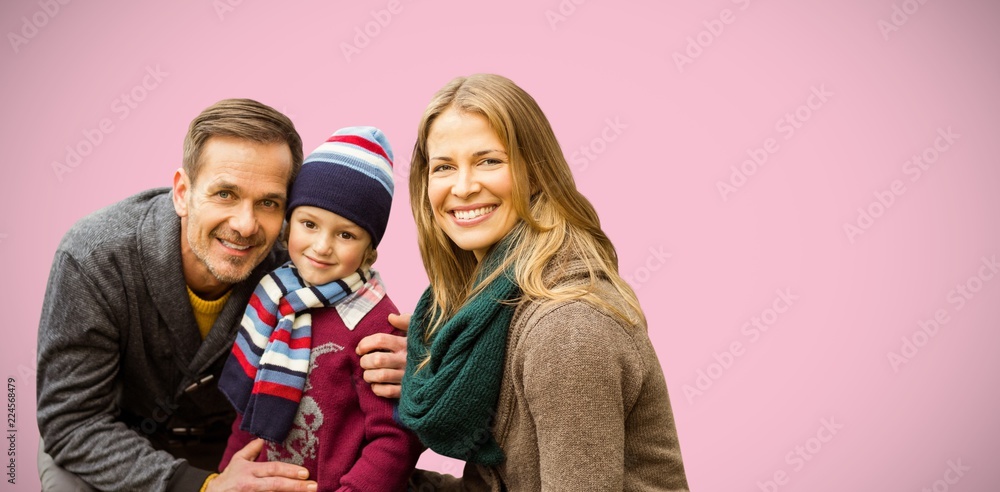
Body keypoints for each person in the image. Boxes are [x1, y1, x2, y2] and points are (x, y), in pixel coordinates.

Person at [35, 99, 407, 492]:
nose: (245, 226)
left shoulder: (300, 271)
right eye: (226, 194)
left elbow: (362, 333)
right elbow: (73, 422)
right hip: (110, 445)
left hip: (238, 447)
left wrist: (418, 363)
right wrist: (204, 487)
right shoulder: (96, 257)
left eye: (268, 203)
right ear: (182, 192)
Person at [399, 74, 690, 491]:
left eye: (489, 161)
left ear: (535, 172)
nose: (463, 187)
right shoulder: (492, 313)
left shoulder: (566, 329)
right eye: (444, 167)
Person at [217, 127, 422, 490]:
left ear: (369, 249)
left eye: (346, 234)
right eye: (309, 224)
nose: (322, 246)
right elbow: (247, 417)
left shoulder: (375, 324)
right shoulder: (273, 298)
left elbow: (395, 439)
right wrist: (224, 477)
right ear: (288, 224)